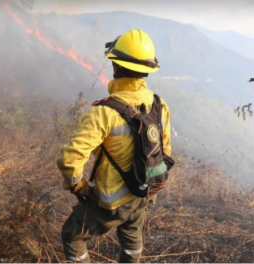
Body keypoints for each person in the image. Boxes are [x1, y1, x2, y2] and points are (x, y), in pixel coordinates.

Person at [57, 29, 172, 263]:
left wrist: (78, 187)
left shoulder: (104, 113)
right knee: (131, 235)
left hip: (111, 203)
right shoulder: (159, 105)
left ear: (115, 66)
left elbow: (70, 160)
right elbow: (166, 152)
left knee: (73, 235)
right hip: (143, 193)